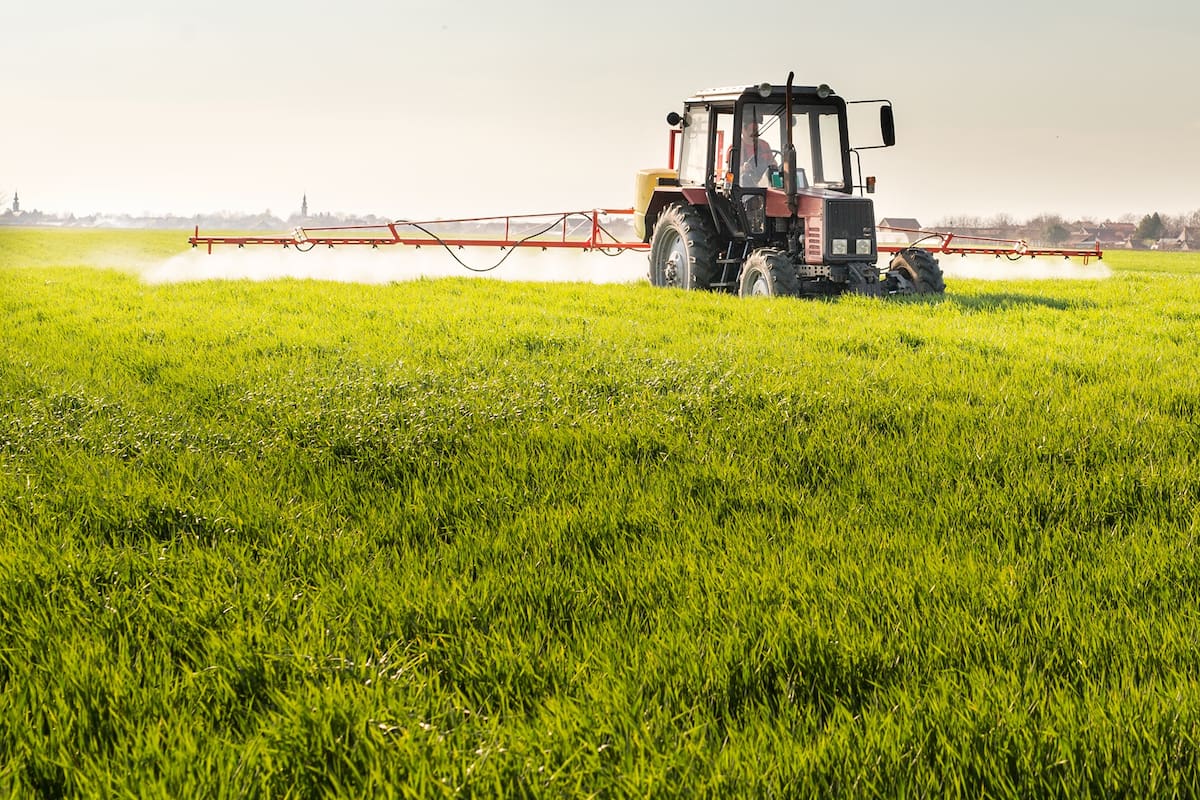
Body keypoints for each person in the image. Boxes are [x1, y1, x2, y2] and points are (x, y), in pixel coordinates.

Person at [734, 119, 776, 187]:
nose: (756, 133)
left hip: (764, 185)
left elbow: (773, 162)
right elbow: (730, 171)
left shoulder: (764, 145)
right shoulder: (736, 147)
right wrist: (743, 168)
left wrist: (774, 165)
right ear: (743, 130)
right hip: (743, 189)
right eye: (752, 130)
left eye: (757, 129)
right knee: (745, 177)